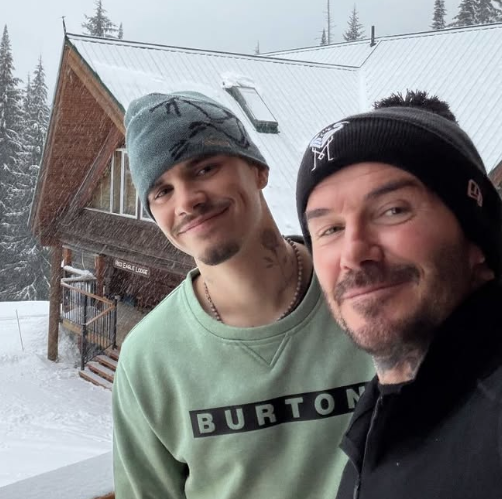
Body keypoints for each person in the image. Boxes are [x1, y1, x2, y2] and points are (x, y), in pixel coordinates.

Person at [112, 90, 373, 499]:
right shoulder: (149, 359)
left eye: (204, 168)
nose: (187, 201)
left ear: (258, 169)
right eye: (162, 191)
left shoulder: (365, 293)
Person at [296, 91, 502, 498]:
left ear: (476, 238)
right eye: (330, 229)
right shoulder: (382, 419)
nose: (354, 254)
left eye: (393, 210)